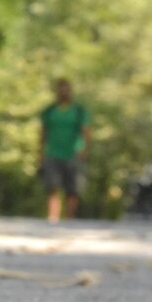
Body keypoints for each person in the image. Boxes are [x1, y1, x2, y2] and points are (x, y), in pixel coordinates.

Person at [39, 78, 91, 221]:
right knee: (52, 186)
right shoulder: (49, 111)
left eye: (66, 90)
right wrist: (40, 152)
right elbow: (43, 132)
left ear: (70, 92)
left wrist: (85, 149)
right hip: (52, 152)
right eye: (60, 90)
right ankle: (53, 217)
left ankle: (70, 218)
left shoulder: (79, 111)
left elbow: (86, 131)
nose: (63, 93)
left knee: (72, 188)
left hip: (73, 153)